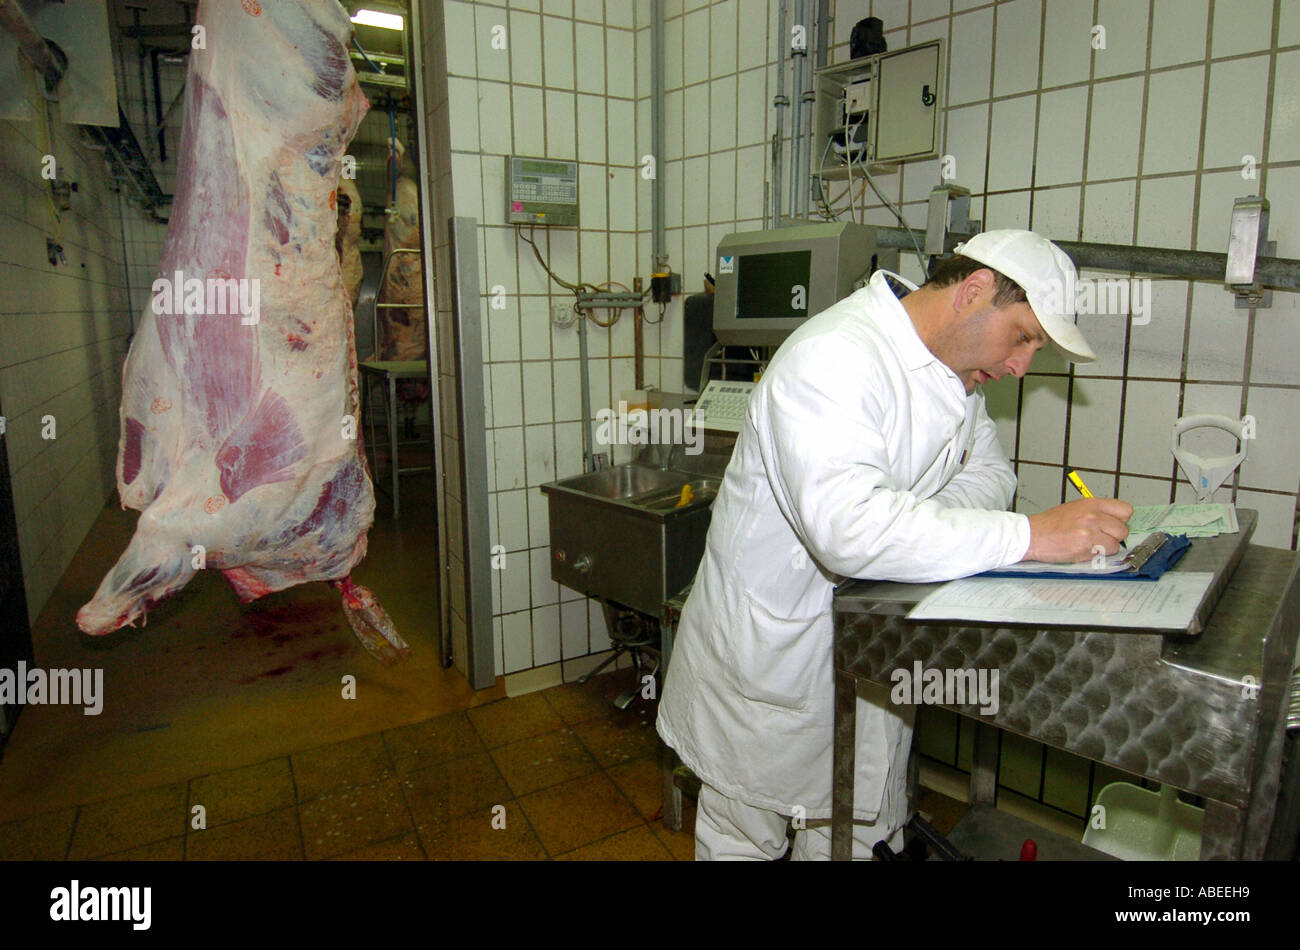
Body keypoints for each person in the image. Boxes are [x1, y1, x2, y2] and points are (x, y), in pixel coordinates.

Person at [656, 229, 1133, 860]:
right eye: (1023, 336)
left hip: (873, 658)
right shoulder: (834, 356)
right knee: (747, 840)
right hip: (774, 660)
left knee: (856, 835)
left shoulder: (958, 380)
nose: (1021, 366)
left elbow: (994, 476)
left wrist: (911, 525)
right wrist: (1026, 535)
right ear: (974, 291)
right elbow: (850, 532)